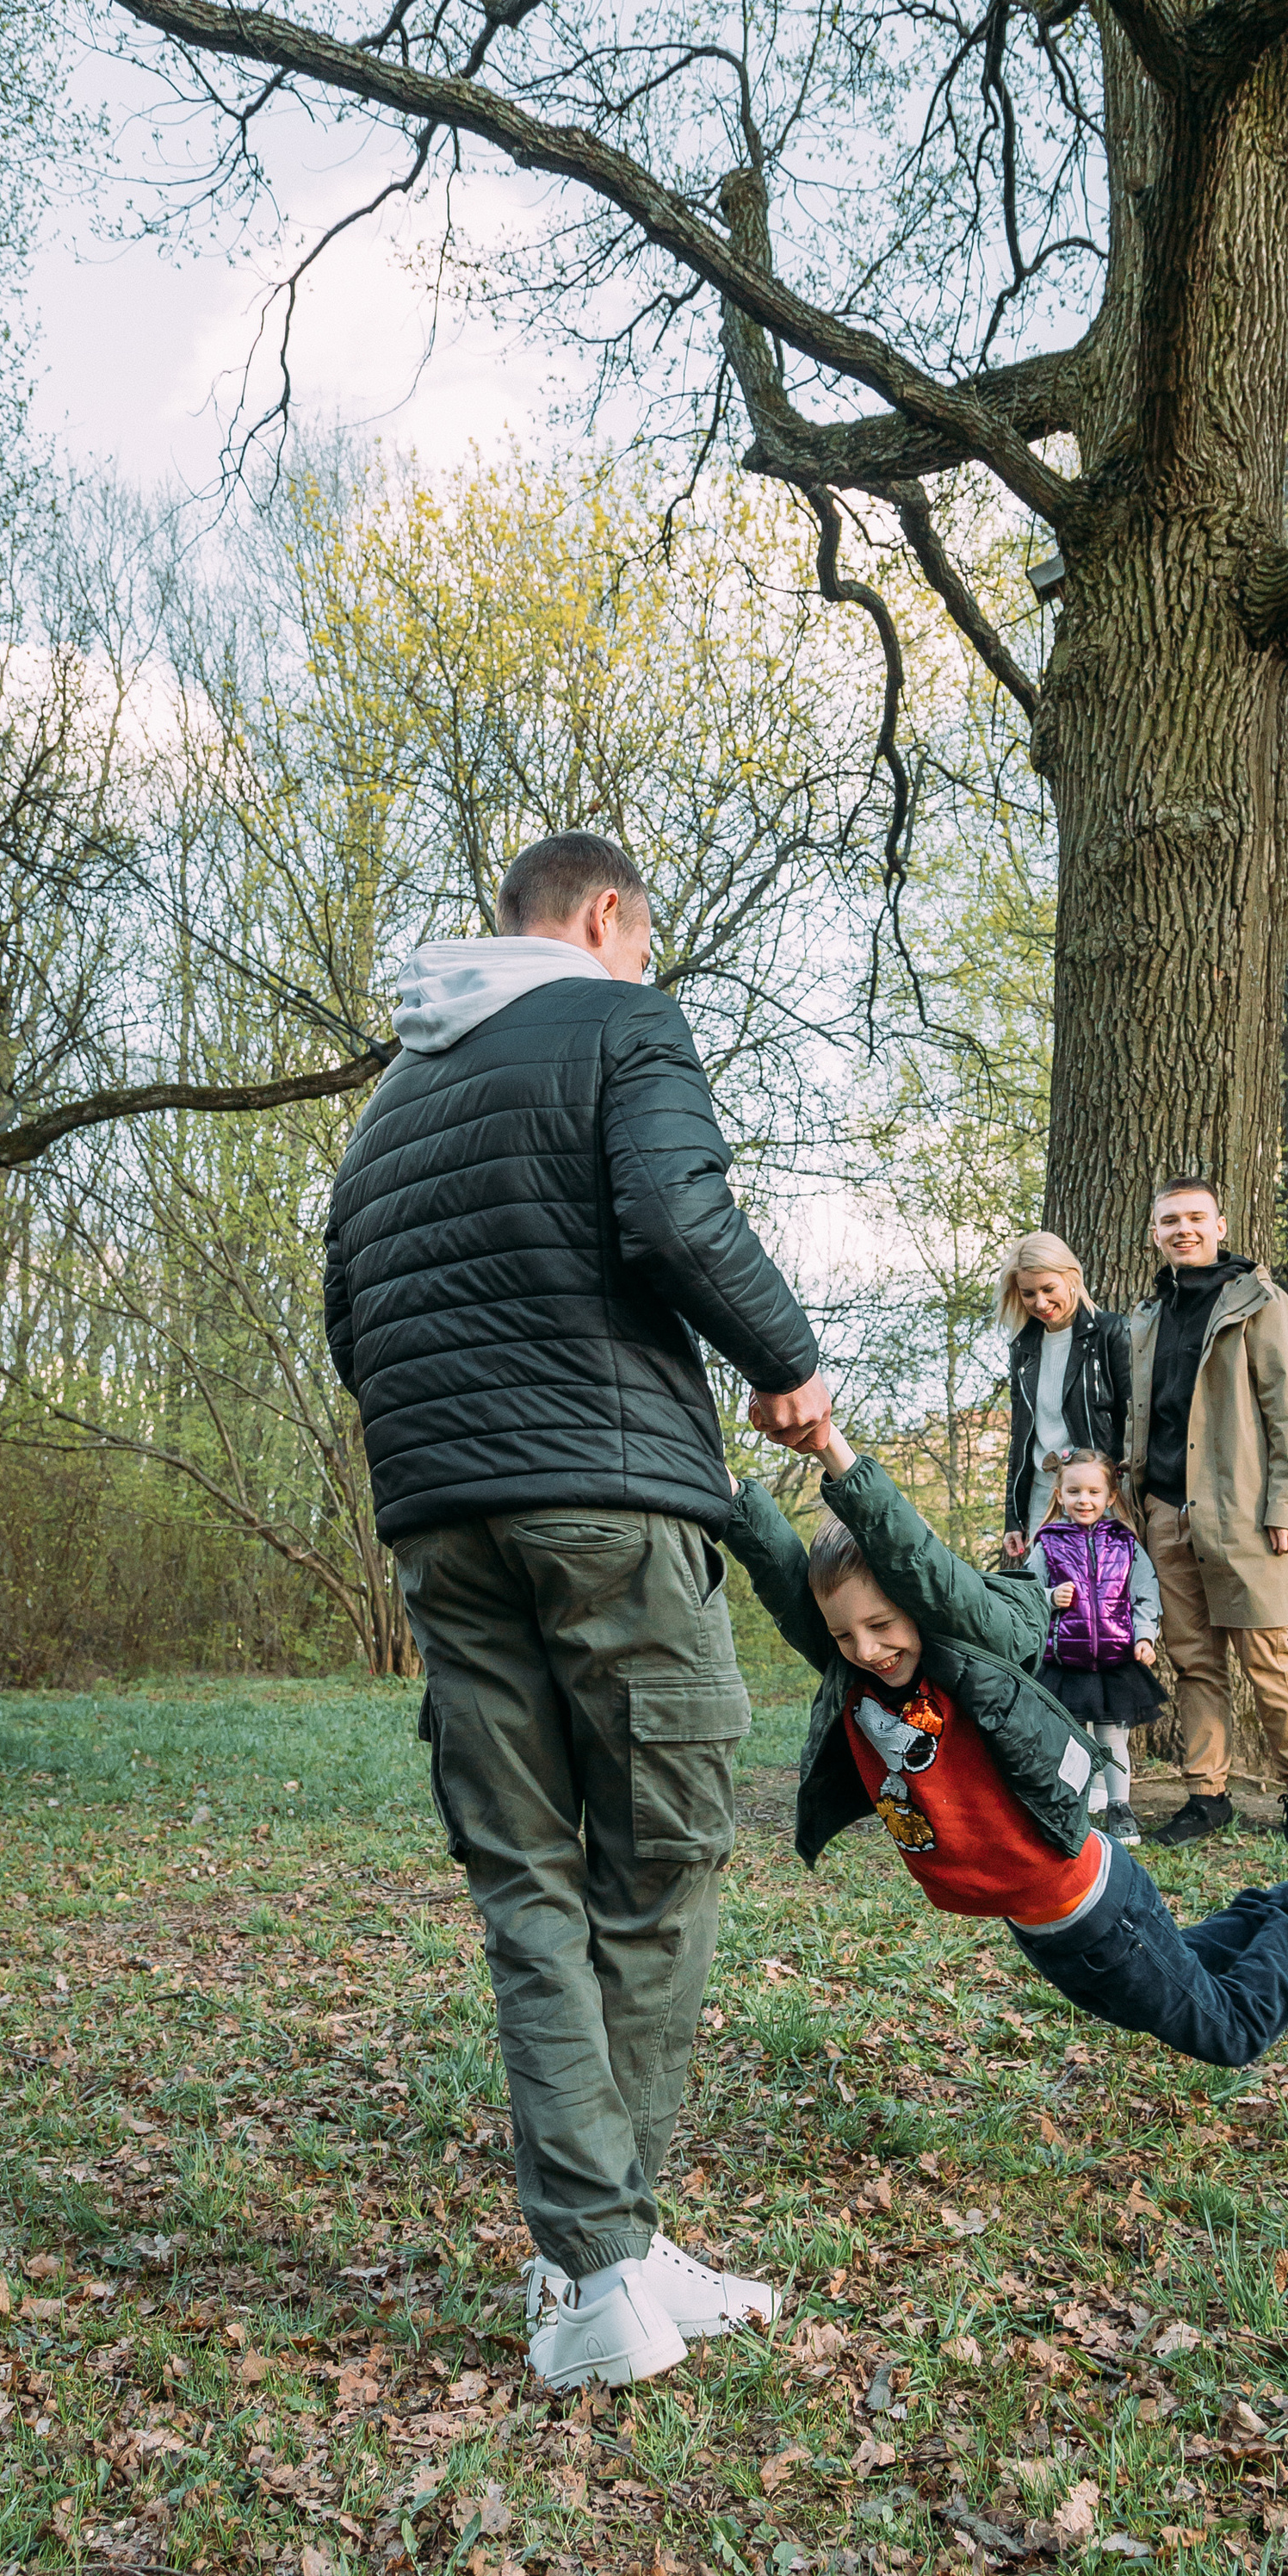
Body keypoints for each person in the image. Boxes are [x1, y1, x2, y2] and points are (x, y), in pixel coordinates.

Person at [323, 829, 831, 2394]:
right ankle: (601, 2258)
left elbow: (351, 1318)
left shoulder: (389, 1104)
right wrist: (788, 1364)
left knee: (529, 1880)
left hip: (441, 1522)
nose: (647, 963)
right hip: (608, 1501)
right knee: (662, 1858)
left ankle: (611, 2254)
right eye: (646, 938)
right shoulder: (623, 1021)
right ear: (607, 916)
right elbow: (675, 1219)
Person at [721, 1418, 1288, 2076]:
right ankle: (1280, 1925)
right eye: (845, 1635)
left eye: (882, 1625)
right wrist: (721, 1488)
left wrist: (831, 1448)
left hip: (1096, 1909)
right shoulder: (857, 1676)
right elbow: (782, 1577)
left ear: (919, 1605)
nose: (867, 1649)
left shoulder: (969, 1655)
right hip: (1044, 1929)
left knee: (1231, 2031)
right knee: (1188, 1972)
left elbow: (916, 1560)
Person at [1128, 1175, 1288, 1850]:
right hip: (1164, 1513)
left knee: (1268, 1655)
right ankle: (1207, 1798)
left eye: (1195, 1218)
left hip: (1244, 1514)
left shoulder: (1261, 1302)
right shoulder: (1148, 1316)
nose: (1183, 1229)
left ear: (1220, 1227)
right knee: (1195, 1664)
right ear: (1155, 1233)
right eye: (1170, 1221)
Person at [1020, 1447, 1167, 1848]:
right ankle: (1072, 1805)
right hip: (1064, 1661)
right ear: (1059, 1495)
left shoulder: (1125, 1543)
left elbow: (1145, 1594)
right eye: (1074, 1492)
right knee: (1069, 1738)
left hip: (1116, 1661)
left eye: (1093, 1492)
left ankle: (1120, 1806)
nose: (1084, 1500)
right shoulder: (1048, 1543)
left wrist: (1144, 1637)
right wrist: (1050, 1598)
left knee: (1112, 1737)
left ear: (1110, 1496)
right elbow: (1027, 1592)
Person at [998, 1231, 1130, 1561]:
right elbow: (1021, 1438)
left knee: (1104, 1587)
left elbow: (1134, 1422)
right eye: (1029, 1293)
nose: (1040, 1303)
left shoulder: (1111, 1333)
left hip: (1097, 1497)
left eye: (1048, 1289)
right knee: (1048, 1589)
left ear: (1071, 1278)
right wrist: (1013, 1517)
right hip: (1043, 1498)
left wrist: (1121, 1492)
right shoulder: (1023, 1349)